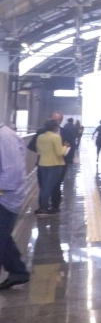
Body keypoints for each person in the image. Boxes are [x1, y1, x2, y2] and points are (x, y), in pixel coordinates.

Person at [0, 119, 31, 289]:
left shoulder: (5, 137)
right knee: (3, 237)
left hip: (5, 199)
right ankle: (18, 272)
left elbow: (12, 174)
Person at [35, 119, 65, 217]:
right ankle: (44, 208)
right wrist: (66, 147)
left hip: (42, 163)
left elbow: (38, 151)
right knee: (49, 187)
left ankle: (42, 207)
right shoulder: (56, 137)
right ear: (55, 127)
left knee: (44, 187)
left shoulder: (40, 137)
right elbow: (59, 153)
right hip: (55, 165)